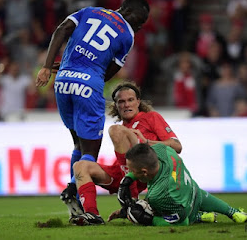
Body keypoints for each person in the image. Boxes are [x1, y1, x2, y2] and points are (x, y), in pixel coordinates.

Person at [35, 0, 150, 207]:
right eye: (140, 21)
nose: (139, 26)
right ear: (129, 13)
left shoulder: (89, 11)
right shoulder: (127, 35)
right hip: (88, 86)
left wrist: (46, 66)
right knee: (90, 151)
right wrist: (90, 73)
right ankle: (73, 189)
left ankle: (75, 198)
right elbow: (109, 73)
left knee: (77, 143)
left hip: (62, 82)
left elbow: (61, 29)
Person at [67, 82, 182, 225]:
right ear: (116, 106)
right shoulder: (122, 128)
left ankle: (131, 198)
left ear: (138, 102)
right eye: (121, 102)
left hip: (148, 169)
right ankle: (92, 215)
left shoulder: (151, 117)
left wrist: (146, 141)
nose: (126, 105)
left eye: (130, 100)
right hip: (122, 174)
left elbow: (177, 146)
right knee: (80, 166)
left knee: (115, 130)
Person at [117, 143, 247, 226]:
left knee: (178, 218)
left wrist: (149, 220)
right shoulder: (163, 150)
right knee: (199, 195)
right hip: (194, 190)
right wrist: (129, 179)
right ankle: (234, 213)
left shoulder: (158, 195)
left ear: (144, 172)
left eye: (132, 171)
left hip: (184, 210)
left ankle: (197, 217)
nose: (129, 173)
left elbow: (177, 221)